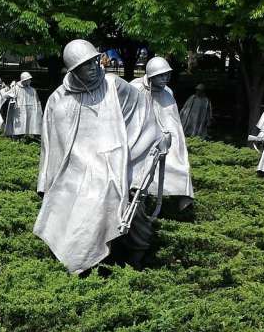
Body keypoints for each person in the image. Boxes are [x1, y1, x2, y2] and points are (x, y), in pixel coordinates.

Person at [35, 40, 167, 273]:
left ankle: (135, 259)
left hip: (116, 163)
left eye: (96, 61)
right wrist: (47, 183)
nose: (95, 67)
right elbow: (51, 146)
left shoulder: (114, 86)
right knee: (75, 201)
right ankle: (79, 260)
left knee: (124, 200)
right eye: (86, 65)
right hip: (76, 169)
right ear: (73, 70)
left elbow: (143, 116)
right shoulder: (58, 99)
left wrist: (157, 138)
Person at [129, 57, 193, 206]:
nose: (165, 78)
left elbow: (173, 125)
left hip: (164, 142)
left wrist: (172, 143)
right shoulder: (135, 88)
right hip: (139, 140)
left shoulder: (167, 93)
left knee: (179, 165)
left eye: (167, 75)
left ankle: (176, 199)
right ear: (152, 75)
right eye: (161, 75)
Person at [2, 72, 42, 140]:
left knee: (30, 125)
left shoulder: (32, 90)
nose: (30, 81)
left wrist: (39, 110)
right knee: (19, 127)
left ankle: (28, 138)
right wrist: (11, 95)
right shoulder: (16, 88)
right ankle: (17, 139)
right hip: (19, 111)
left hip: (30, 110)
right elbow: (4, 95)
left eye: (30, 79)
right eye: (28, 79)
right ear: (24, 80)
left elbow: (37, 102)